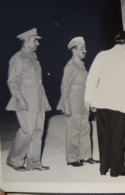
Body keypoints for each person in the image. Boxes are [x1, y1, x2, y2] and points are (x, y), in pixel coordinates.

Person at [84, 31, 125, 177]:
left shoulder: (102, 55)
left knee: (104, 135)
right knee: (118, 137)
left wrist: (88, 98)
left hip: (102, 102)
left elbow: (92, 77)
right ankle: (117, 170)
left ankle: (104, 168)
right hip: (120, 103)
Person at [6, 28, 51, 171]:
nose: (37, 43)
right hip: (26, 100)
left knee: (38, 131)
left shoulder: (33, 58)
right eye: (35, 40)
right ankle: (15, 160)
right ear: (26, 40)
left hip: (38, 100)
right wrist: (20, 99)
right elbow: (13, 82)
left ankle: (34, 162)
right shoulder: (18, 58)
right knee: (27, 130)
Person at [57, 37, 99, 167]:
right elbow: (65, 87)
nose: (85, 51)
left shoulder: (81, 65)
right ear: (74, 50)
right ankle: (72, 158)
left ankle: (86, 156)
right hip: (74, 102)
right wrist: (67, 106)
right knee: (73, 130)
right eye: (82, 49)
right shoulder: (70, 66)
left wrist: (91, 103)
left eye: (84, 48)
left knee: (85, 129)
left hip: (83, 102)